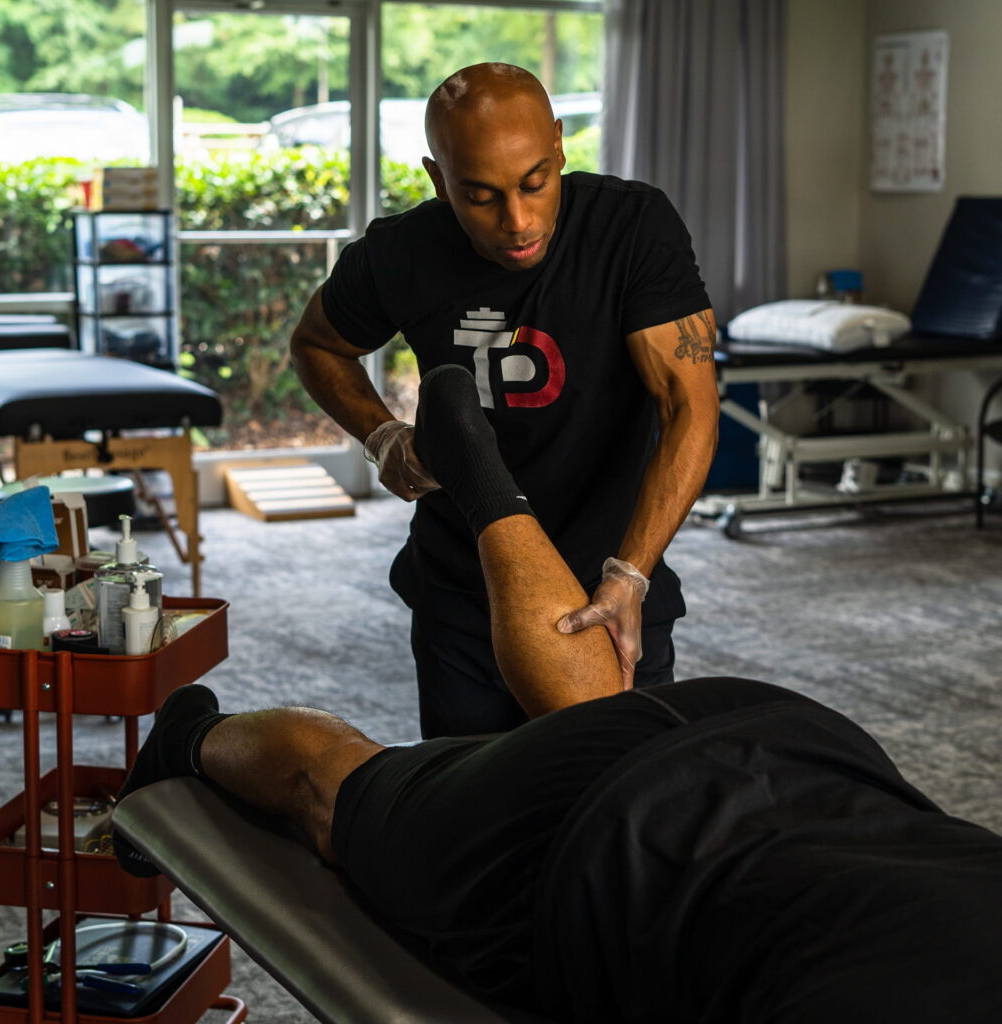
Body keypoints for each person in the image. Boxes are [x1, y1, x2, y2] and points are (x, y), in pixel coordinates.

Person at [117, 367, 1002, 1024]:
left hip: (795, 738)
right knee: (334, 789)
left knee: (592, 730)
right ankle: (188, 735)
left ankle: (486, 485)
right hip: (571, 840)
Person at [289, 61, 720, 738]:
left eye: (534, 183)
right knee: (472, 793)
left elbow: (689, 407)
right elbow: (316, 344)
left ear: (559, 146)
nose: (517, 221)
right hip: (462, 593)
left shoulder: (632, 227)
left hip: (608, 578)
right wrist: (381, 435)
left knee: (617, 786)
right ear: (439, 180)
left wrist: (632, 574)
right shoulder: (400, 253)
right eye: (481, 196)